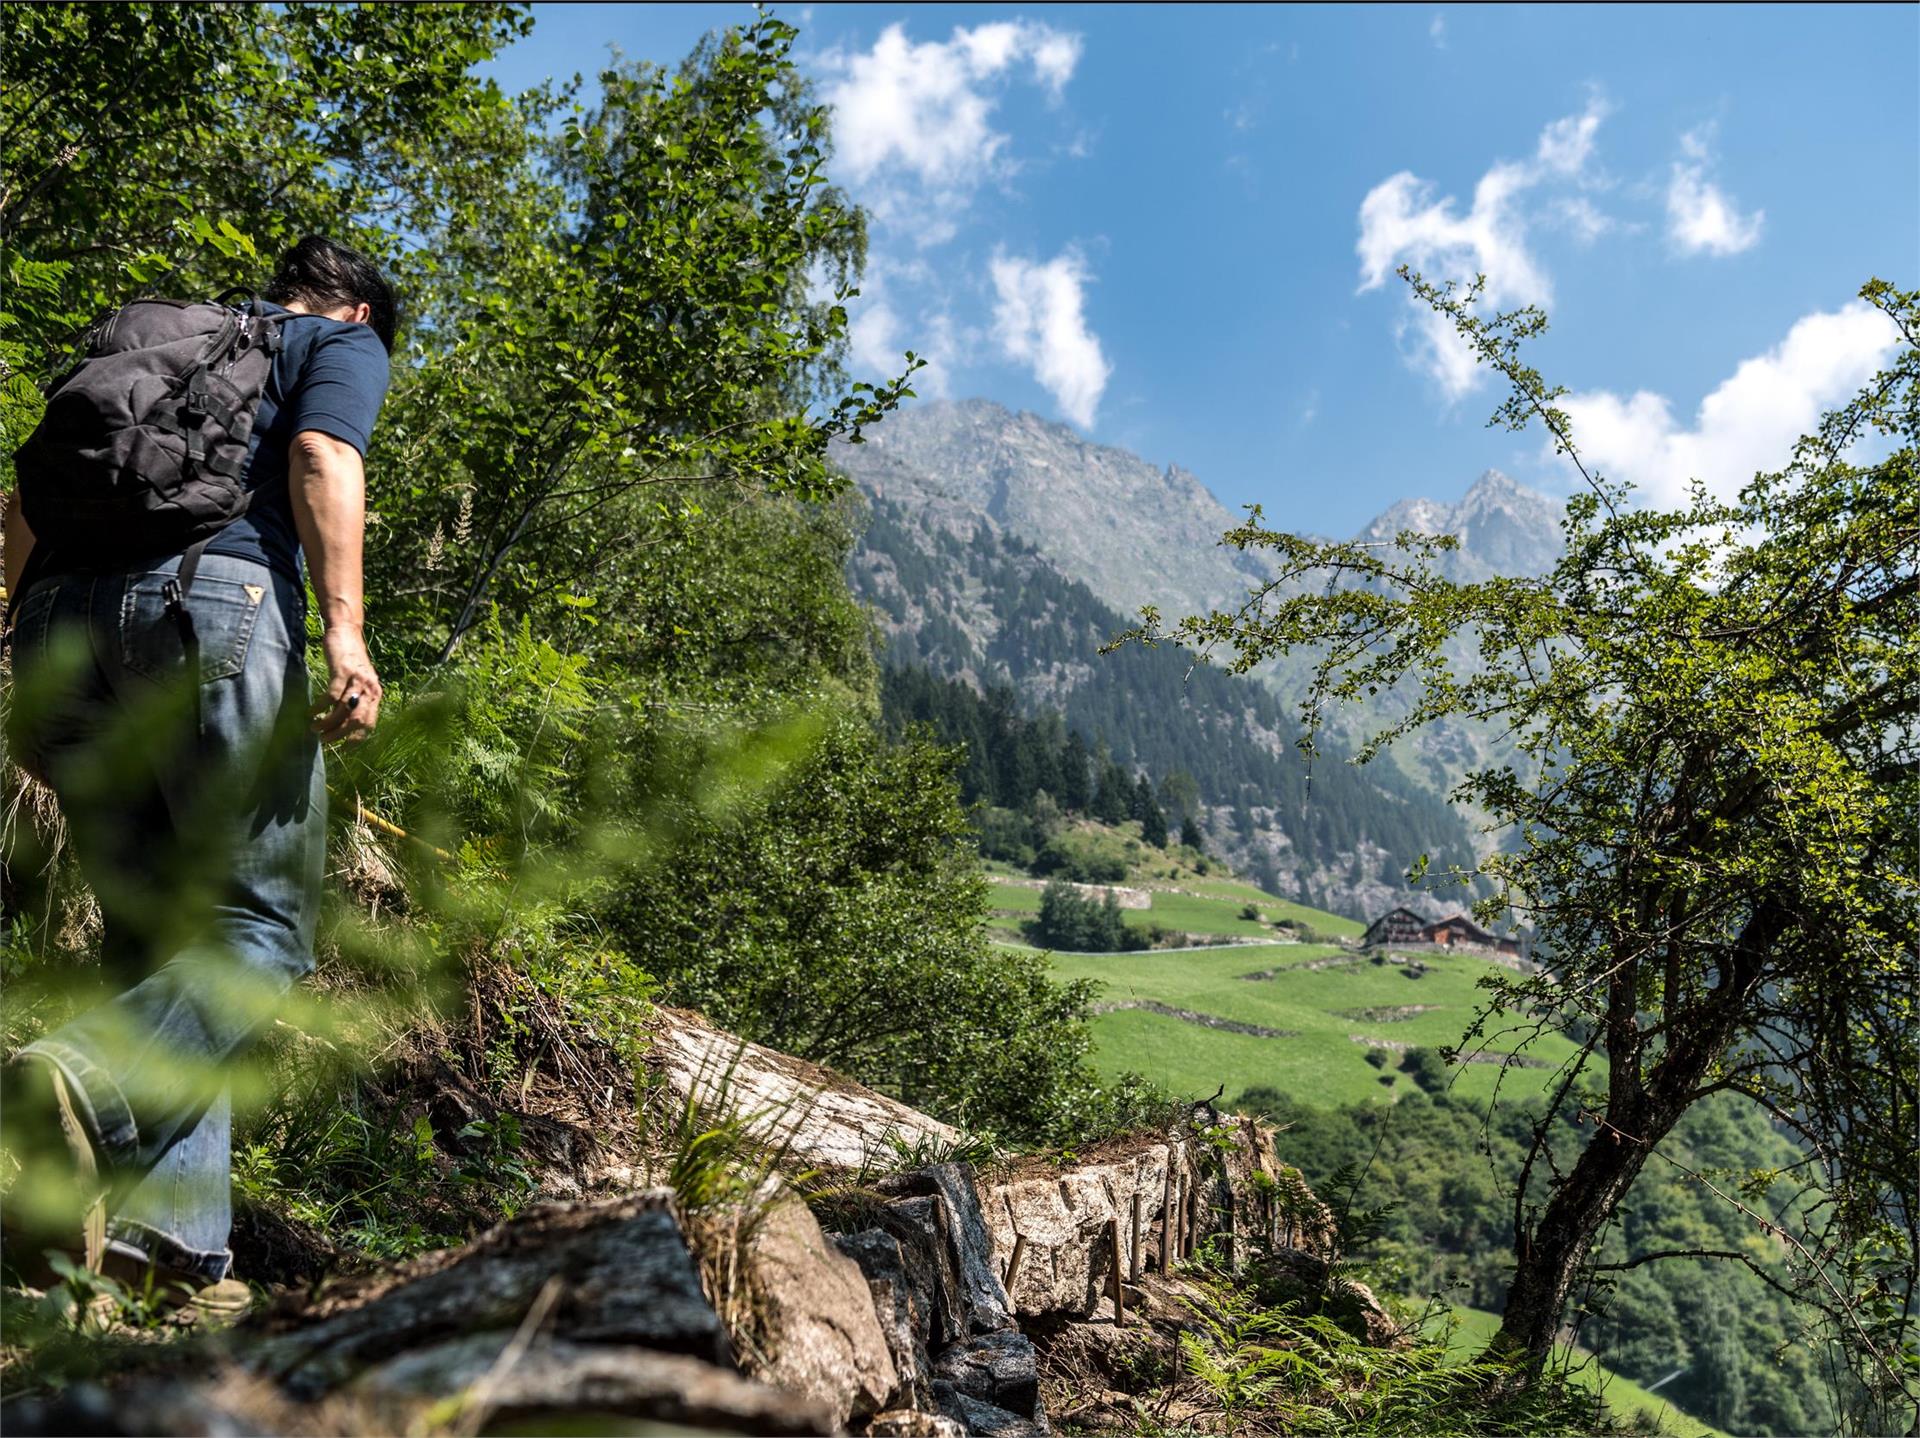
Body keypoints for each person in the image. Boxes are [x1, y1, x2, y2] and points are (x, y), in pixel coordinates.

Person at [0, 235, 393, 1310]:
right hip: (209, 605)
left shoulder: (161, 344)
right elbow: (322, 457)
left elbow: (24, 502)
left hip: (58, 625)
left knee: (162, 950)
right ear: (358, 312)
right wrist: (346, 634)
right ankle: (86, 1076)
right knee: (260, 926)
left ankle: (162, 1258)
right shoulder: (334, 344)